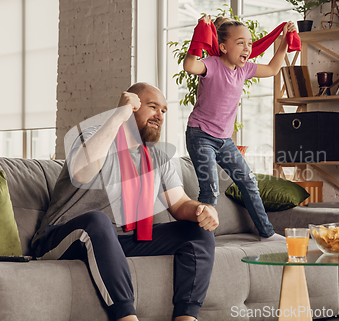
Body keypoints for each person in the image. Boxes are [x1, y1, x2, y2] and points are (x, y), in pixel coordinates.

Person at [31, 83, 219, 321]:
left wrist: (203, 209)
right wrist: (118, 116)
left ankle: (186, 318)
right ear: (131, 106)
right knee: (98, 221)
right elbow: (83, 173)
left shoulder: (158, 156)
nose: (159, 115)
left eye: (163, 111)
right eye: (152, 107)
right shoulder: (93, 136)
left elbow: (180, 204)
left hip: (118, 240)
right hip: (60, 237)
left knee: (198, 232)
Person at [183, 15, 297, 241]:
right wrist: (199, 34)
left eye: (249, 43)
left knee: (249, 182)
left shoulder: (243, 70)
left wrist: (284, 42)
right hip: (200, 136)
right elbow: (189, 65)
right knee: (210, 189)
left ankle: (266, 232)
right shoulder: (212, 65)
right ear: (223, 47)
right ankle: (203, 241)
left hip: (224, 140)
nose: (247, 47)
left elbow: (274, 69)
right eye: (240, 42)